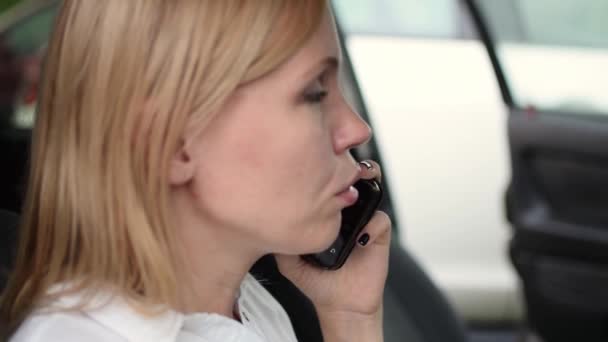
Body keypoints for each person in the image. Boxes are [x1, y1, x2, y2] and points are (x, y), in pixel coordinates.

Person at [0, 1, 392, 341]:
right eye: (314, 94)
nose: (357, 129)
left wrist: (351, 321)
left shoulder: (251, 308)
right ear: (172, 143)